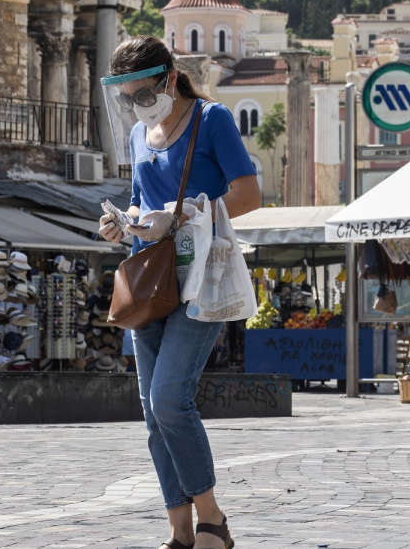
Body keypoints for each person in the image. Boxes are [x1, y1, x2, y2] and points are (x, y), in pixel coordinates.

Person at [97, 35, 259, 549]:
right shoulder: (140, 136)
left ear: (169, 79)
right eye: (128, 99)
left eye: (144, 94)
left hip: (202, 277)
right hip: (147, 277)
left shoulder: (212, 120)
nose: (137, 106)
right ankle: (180, 529)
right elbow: (140, 201)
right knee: (151, 411)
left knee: (169, 399)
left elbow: (250, 195)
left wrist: (185, 211)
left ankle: (212, 518)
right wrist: (122, 225)